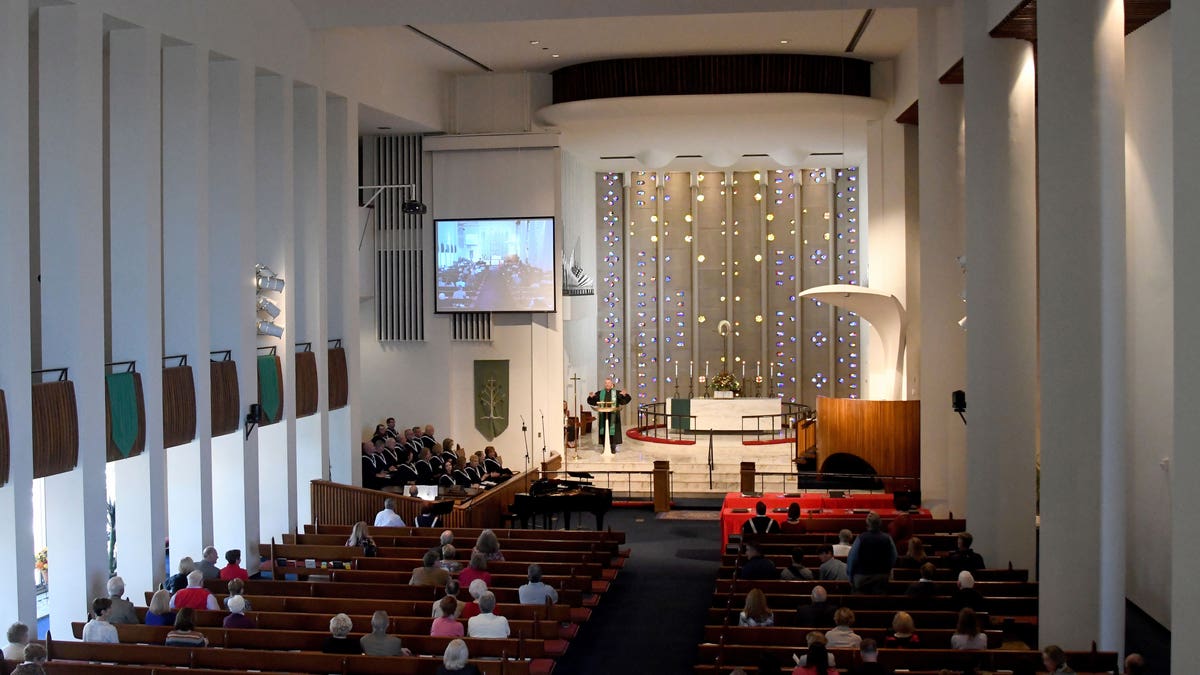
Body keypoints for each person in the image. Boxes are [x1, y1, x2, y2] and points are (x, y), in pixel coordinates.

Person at [846, 512, 897, 595]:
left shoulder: (861, 538)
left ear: (867, 524)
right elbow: (894, 556)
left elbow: (852, 558)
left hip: (862, 577)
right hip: (881, 576)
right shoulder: (887, 538)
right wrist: (887, 569)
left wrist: (850, 576)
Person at [586, 377, 631, 453]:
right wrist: (592, 397)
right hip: (603, 416)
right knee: (604, 430)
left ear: (612, 384)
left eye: (609, 383)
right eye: (606, 383)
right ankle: (605, 446)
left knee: (613, 431)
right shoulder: (600, 393)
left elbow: (625, 400)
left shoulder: (616, 393)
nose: (607, 384)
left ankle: (613, 447)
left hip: (614, 415)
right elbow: (592, 401)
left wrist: (624, 395)